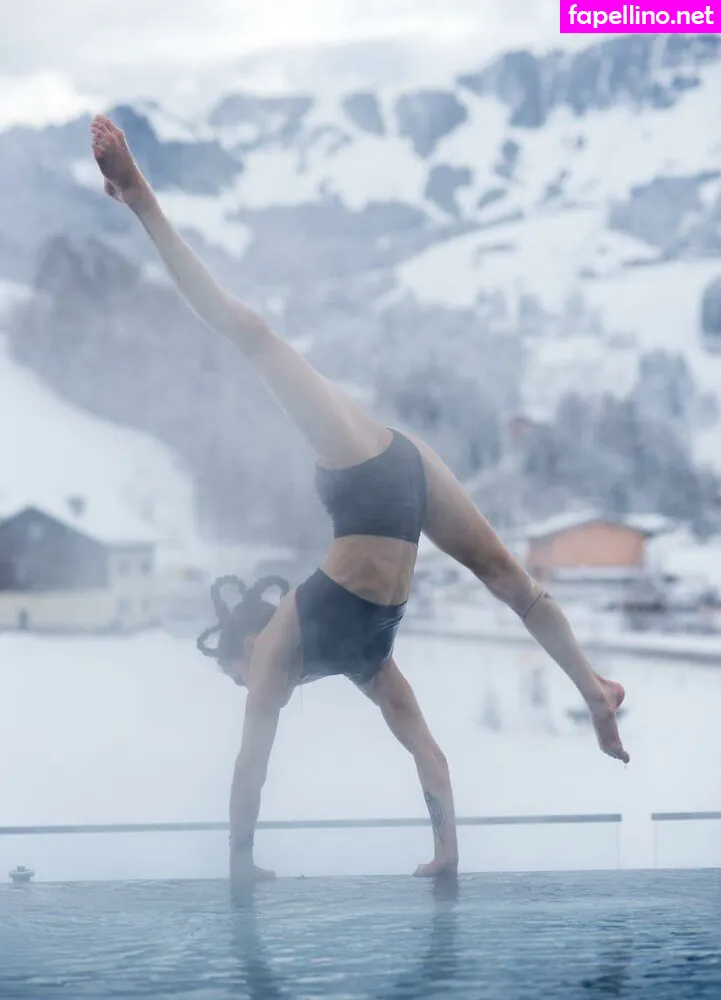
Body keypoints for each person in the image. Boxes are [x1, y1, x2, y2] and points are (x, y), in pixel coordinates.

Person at [90, 115, 629, 884]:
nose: (247, 686)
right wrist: (447, 853)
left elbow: (249, 766)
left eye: (236, 675)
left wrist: (240, 865)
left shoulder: (277, 647)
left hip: (359, 472)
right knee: (510, 582)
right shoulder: (366, 660)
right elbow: (427, 751)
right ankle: (593, 688)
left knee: (256, 339)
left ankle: (140, 198)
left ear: (249, 646)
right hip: (407, 475)